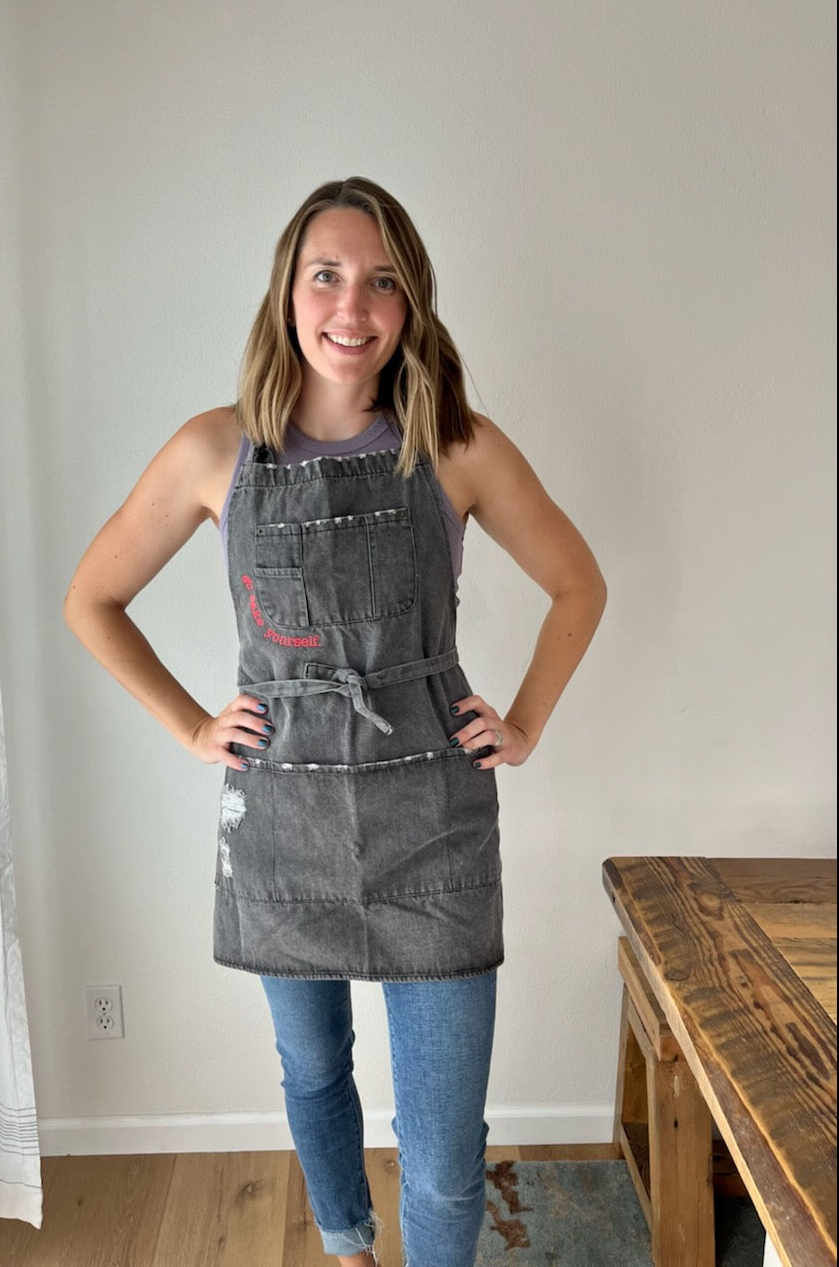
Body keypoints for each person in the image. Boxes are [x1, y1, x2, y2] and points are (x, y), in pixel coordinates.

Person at [64, 176, 606, 1267]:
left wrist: (528, 720)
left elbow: (578, 583)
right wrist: (188, 725)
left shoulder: (457, 445)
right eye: (327, 275)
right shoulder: (214, 450)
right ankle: (349, 1245)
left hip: (434, 815)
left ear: (411, 306)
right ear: (287, 291)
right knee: (313, 1069)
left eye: (382, 281)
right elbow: (92, 597)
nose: (351, 307)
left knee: (446, 1141)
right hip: (281, 812)